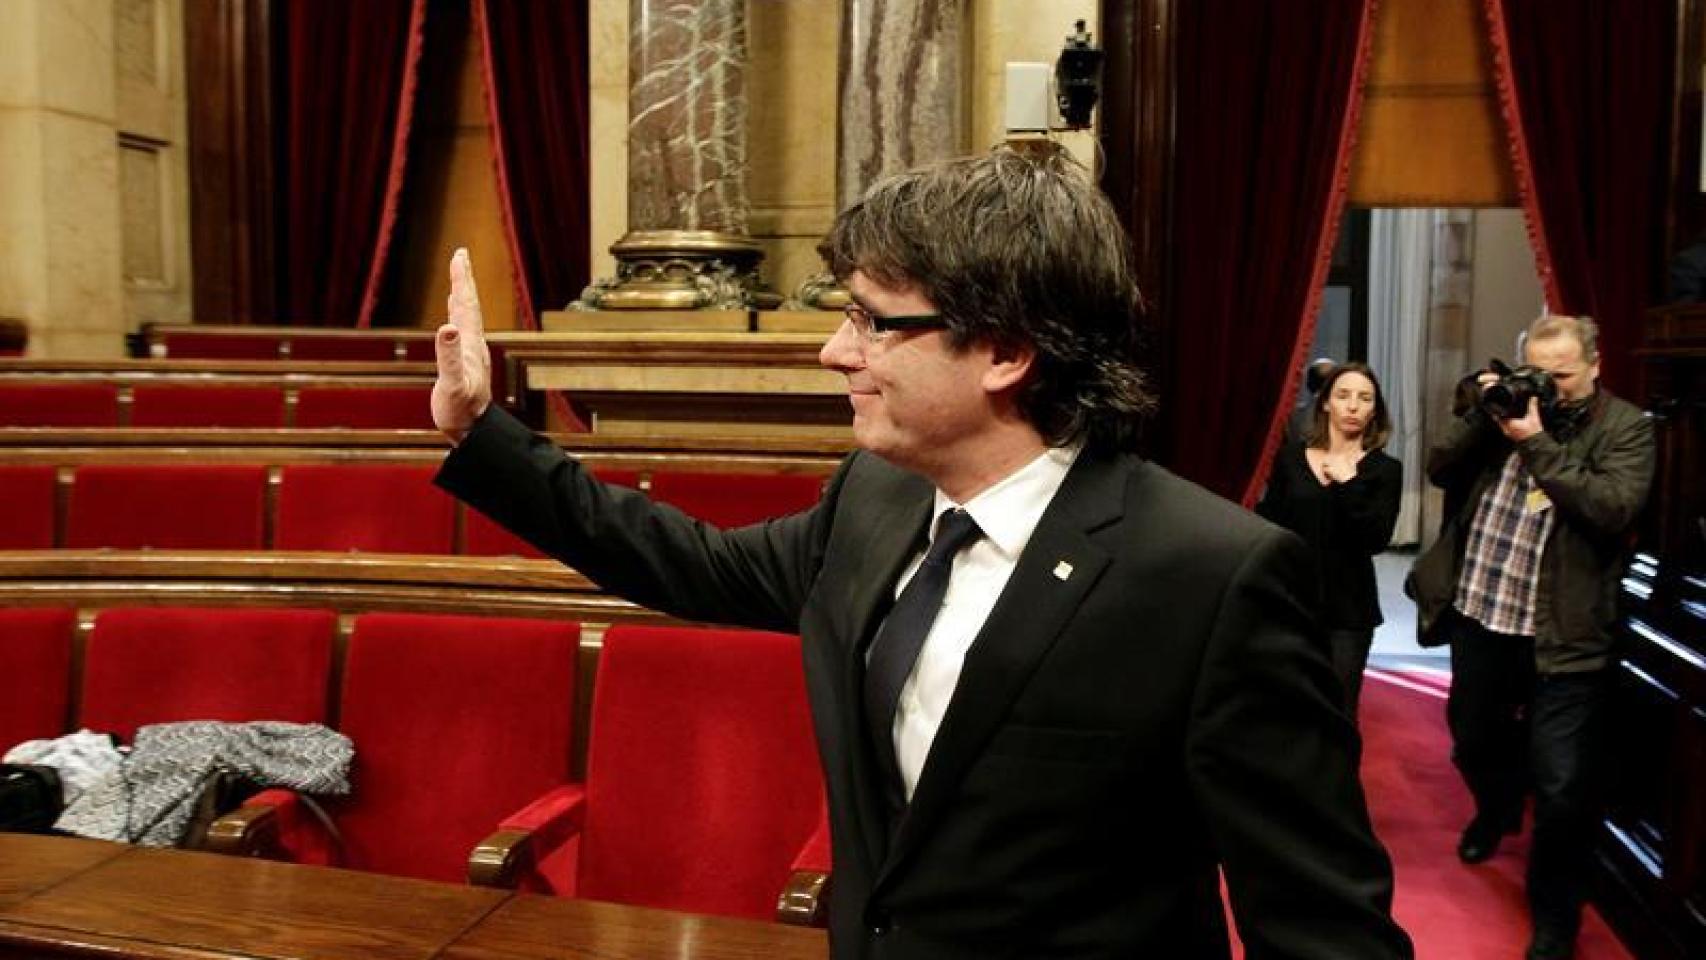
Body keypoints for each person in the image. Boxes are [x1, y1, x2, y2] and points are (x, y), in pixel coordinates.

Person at [432, 144, 1411, 958]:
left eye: (871, 321)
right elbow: (689, 562)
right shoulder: (876, 498)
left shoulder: (1210, 576)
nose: (835, 351)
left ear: (1005, 352)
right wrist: (483, 432)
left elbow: (1321, 926)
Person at [1408, 313, 1654, 960]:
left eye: (1561, 375)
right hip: (1483, 611)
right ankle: (1496, 808)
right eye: (1536, 372)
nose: (1546, 386)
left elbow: (1611, 508)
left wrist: (1537, 440)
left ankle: (1554, 915)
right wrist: (1484, 410)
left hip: (1564, 632)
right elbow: (1438, 466)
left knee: (1562, 787)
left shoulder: (1625, 427)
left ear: (1596, 365)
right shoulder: (1506, 412)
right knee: (1471, 739)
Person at [1258, 362, 1401, 718]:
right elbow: (1271, 524)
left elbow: (1376, 539)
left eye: (1364, 398)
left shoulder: (1385, 470)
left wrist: (1348, 483)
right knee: (1286, 707)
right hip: (1291, 602)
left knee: (1337, 712)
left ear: (1374, 411)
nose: (1353, 406)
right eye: (1343, 395)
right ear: (1325, 403)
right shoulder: (1291, 459)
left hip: (1349, 610)